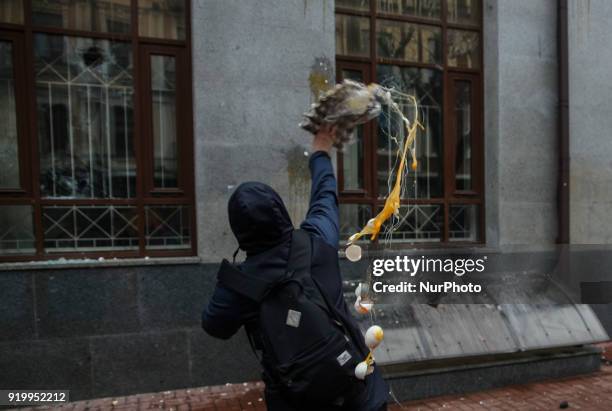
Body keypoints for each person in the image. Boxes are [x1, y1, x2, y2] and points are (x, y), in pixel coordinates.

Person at [202, 126, 388, 410]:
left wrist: (233, 280)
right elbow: (325, 194)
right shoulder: (317, 240)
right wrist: (321, 150)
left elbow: (214, 324)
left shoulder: (239, 285)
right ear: (280, 210)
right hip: (361, 393)